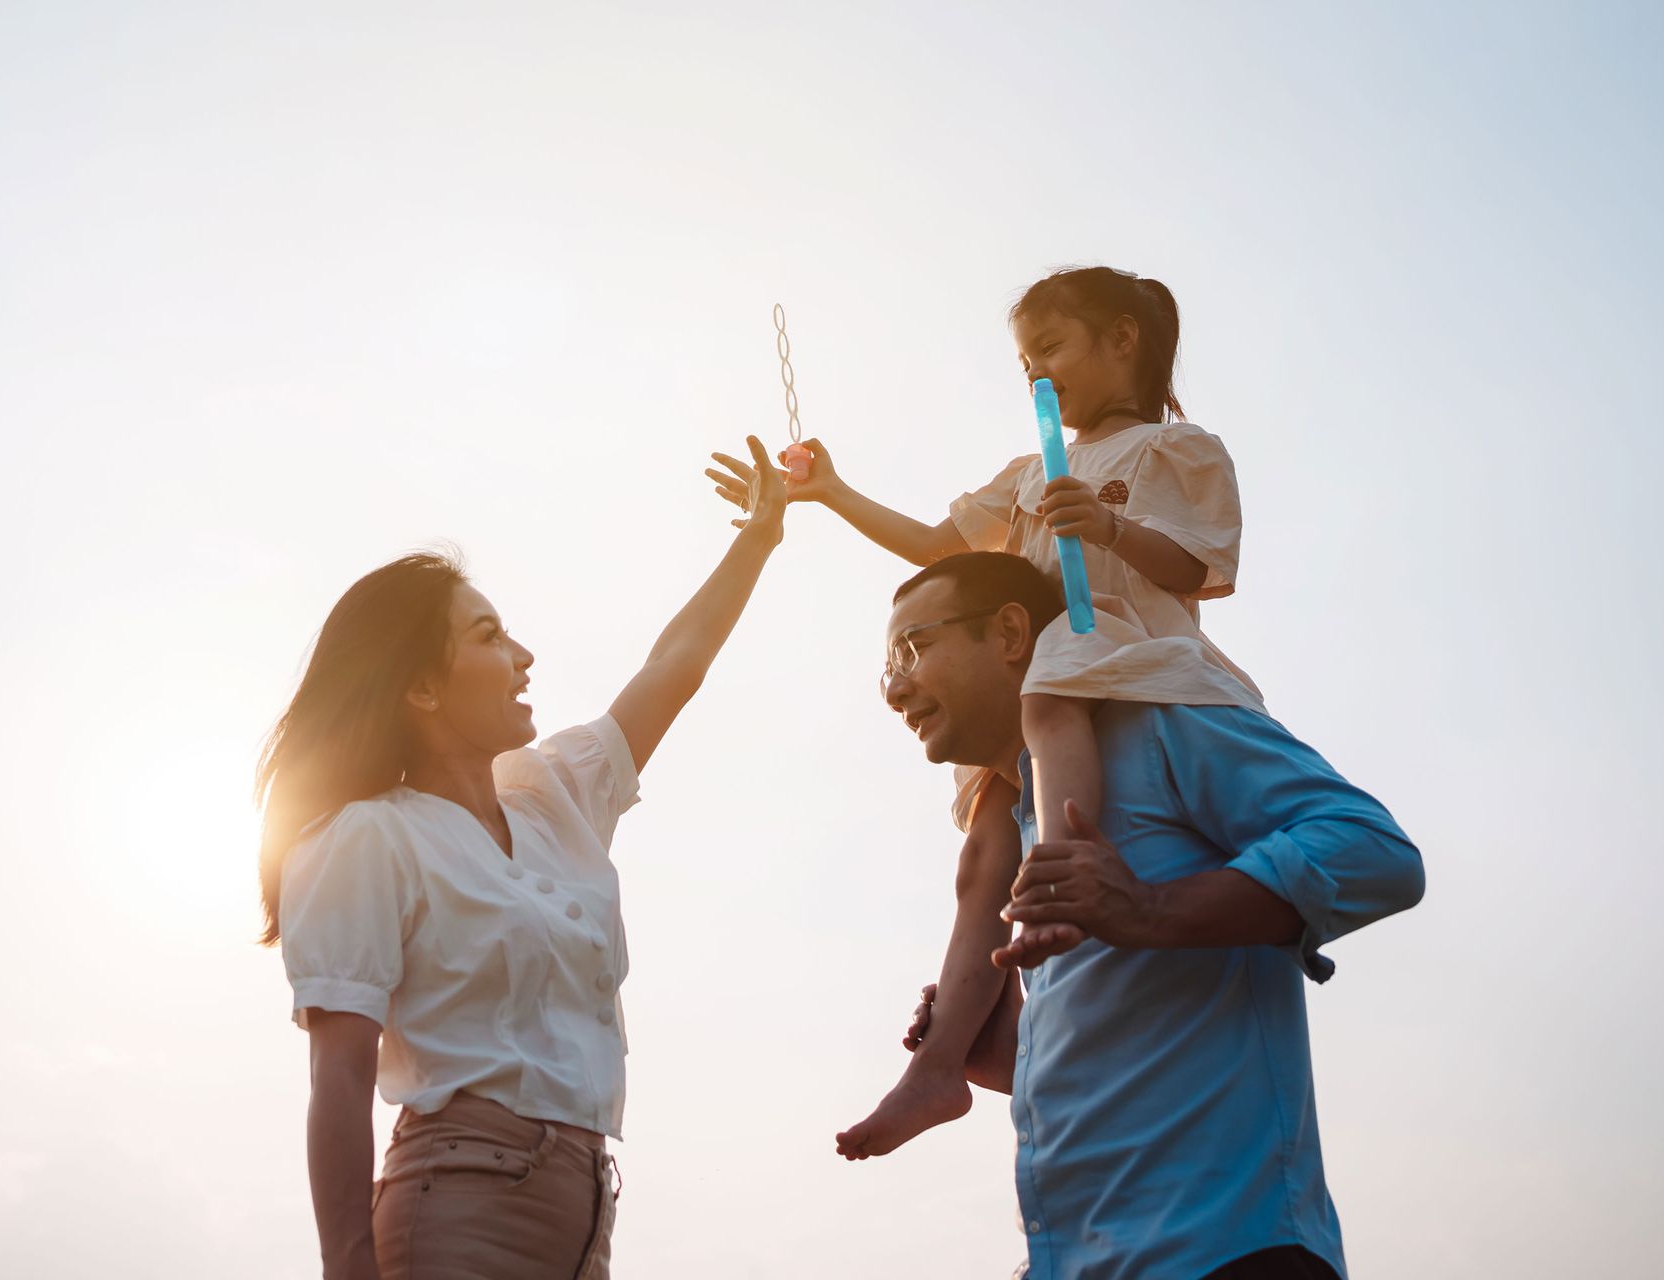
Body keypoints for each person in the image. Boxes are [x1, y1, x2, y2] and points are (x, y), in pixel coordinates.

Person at [707, 266, 1263, 1160]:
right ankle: (939, 1063)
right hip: (1032, 679)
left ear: (1123, 339)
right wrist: (833, 492)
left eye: (1051, 348)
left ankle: (1065, 867)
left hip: (1120, 660)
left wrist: (1109, 529)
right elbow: (938, 547)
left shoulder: (1178, 451)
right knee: (979, 864)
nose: (1036, 374)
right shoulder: (1028, 472)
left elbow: (1202, 568)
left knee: (1049, 718)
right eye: (1023, 362)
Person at [256, 438, 788, 1280]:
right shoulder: (366, 839)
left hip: (584, 1215)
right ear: (422, 687)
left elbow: (673, 668)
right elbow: (340, 1073)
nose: (524, 656)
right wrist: (348, 1267)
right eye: (489, 636)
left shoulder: (553, 796)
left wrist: (759, 535)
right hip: (460, 1199)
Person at [882, 551, 1424, 1279]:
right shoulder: (1018, 824)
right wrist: (998, 1045)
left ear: (1010, 633)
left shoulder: (1163, 721)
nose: (895, 688)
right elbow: (1129, 1028)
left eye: (915, 647)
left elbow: (1375, 852)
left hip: (1225, 1252)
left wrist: (1154, 908)